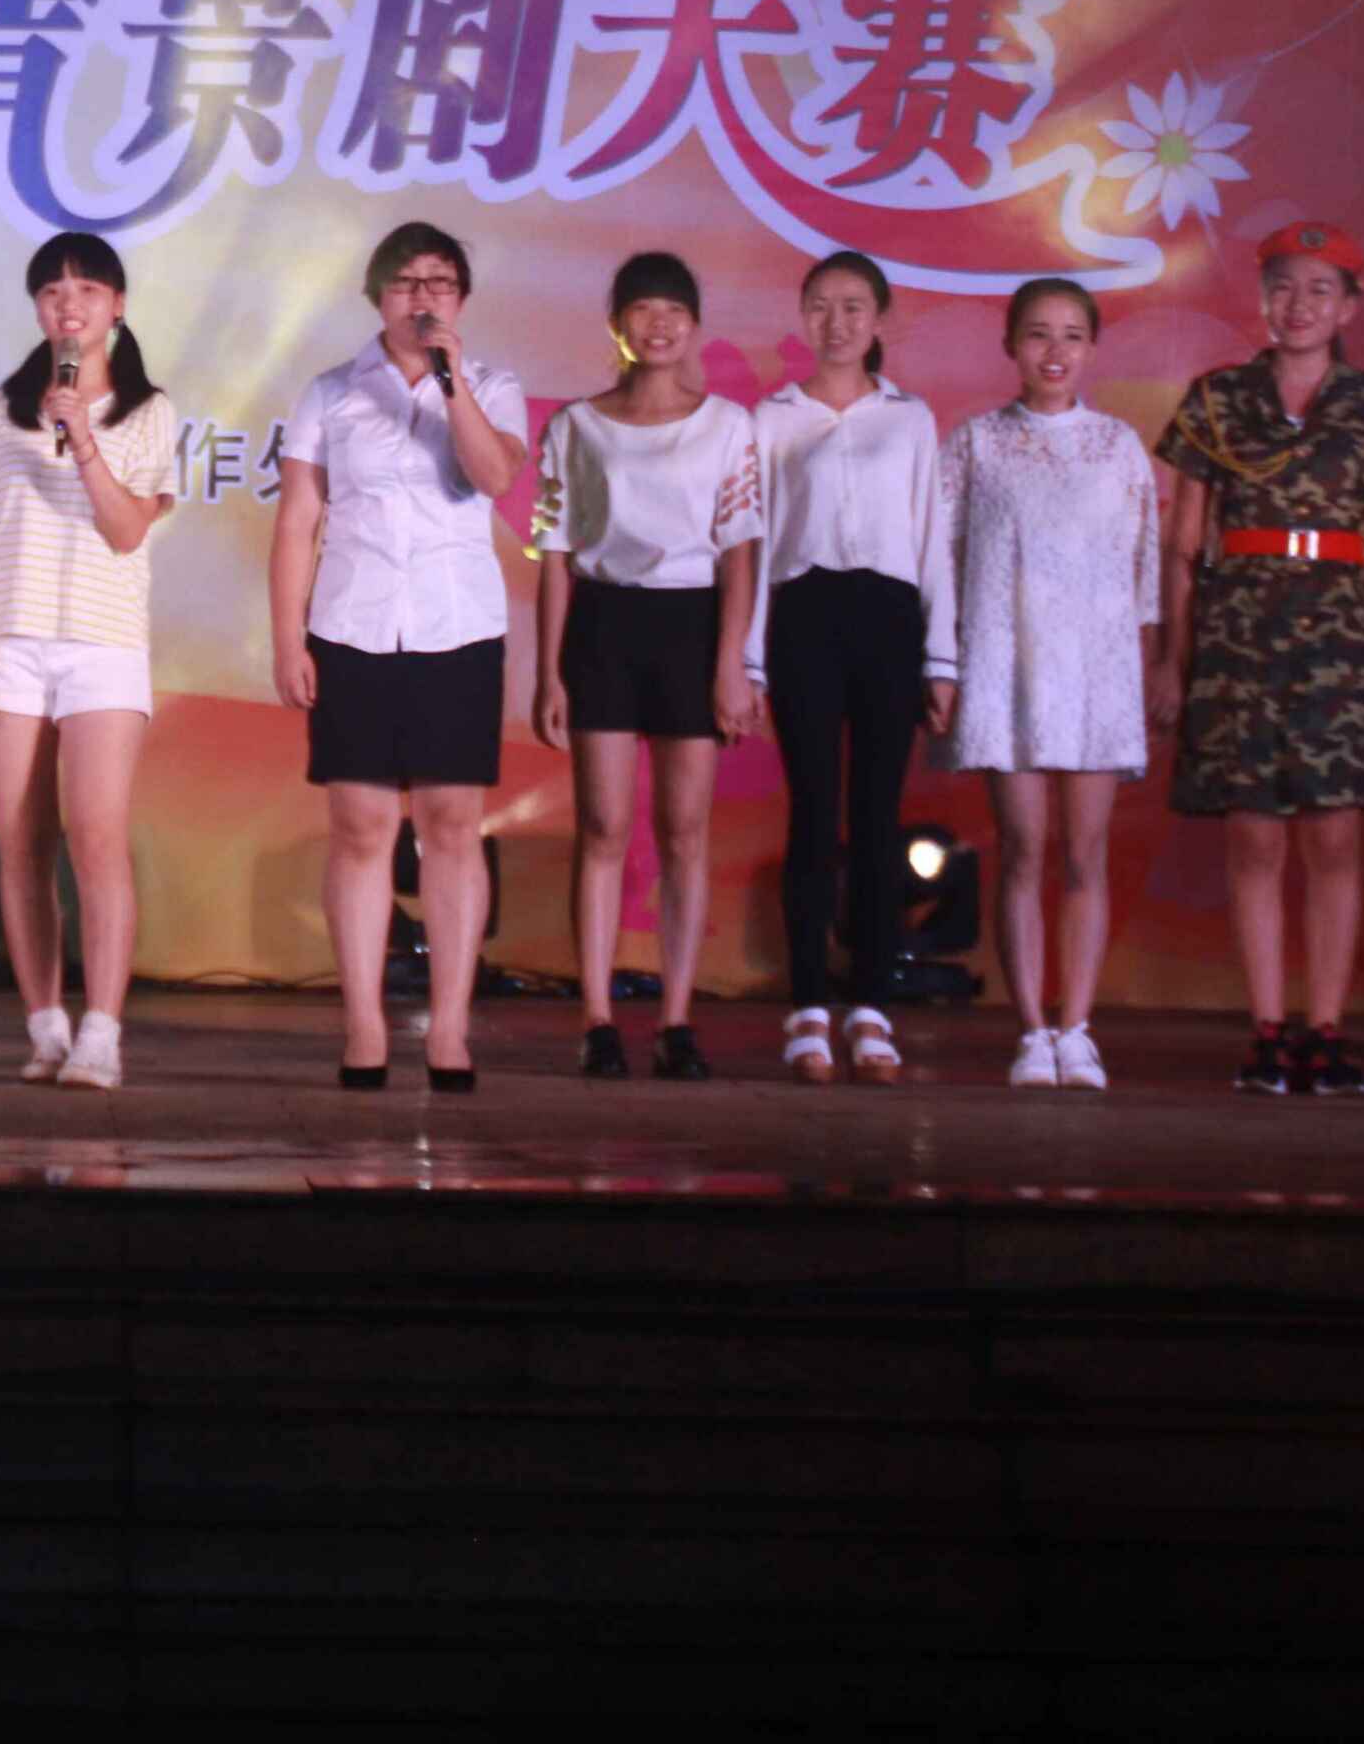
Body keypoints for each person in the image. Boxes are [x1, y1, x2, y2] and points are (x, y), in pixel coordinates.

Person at [1155, 219, 1364, 1098]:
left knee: (1336, 838)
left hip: (1342, 640)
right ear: (1263, 298)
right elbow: (1182, 544)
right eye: (1283, 286)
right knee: (1255, 838)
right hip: (1239, 636)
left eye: (1319, 289)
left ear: (1349, 305)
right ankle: (1269, 1029)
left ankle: (1327, 1029)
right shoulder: (1217, 398)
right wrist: (1172, 659)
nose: (1298, 304)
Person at [272, 221, 526, 1092]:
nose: (423, 297)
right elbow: (297, 523)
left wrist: (453, 385)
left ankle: (450, 1027)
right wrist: (288, 638)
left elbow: (496, 477)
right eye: (406, 282)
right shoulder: (330, 392)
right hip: (354, 627)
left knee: (453, 826)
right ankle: (364, 1025)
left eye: (440, 282)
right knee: (361, 828)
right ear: (376, 297)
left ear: (461, 298)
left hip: (458, 629)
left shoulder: (492, 384)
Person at [0, 232, 178, 1091]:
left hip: (103, 642)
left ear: (117, 306)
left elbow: (126, 528)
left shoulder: (149, 411)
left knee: (96, 835)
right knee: (22, 841)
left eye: (88, 290)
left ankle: (103, 1029)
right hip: (11, 642)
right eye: (53, 291)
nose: (70, 306)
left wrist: (84, 438)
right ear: (37, 307)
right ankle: (45, 1025)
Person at [535, 251, 765, 1081]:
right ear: (617, 324)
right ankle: (597, 1018)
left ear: (694, 326)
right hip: (603, 623)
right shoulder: (575, 426)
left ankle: (676, 1018)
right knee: (602, 825)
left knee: (684, 830)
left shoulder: (729, 426)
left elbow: (740, 553)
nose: (659, 324)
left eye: (674, 311)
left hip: (691, 624)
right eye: (642, 309)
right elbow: (554, 553)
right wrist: (548, 672)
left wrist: (732, 664)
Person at [938, 276, 1162, 1092]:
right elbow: (941, 560)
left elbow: (1144, 567)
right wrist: (945, 663)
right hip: (1006, 666)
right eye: (1038, 333)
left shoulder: (1119, 445)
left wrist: (1142, 665)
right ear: (1011, 344)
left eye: (1072, 334)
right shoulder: (976, 443)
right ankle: (1032, 1028)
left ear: (1092, 348)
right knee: (1025, 845)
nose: (1055, 350)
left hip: (1098, 670)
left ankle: (1079, 1028)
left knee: (1086, 850)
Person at [743, 250, 946, 1086]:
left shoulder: (910, 417)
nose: (837, 322)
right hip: (804, 616)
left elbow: (932, 536)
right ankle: (806, 1006)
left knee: (876, 816)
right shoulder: (773, 416)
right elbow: (755, 544)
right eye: (822, 306)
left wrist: (941, 657)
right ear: (803, 316)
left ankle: (870, 1003)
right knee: (814, 811)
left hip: (890, 620)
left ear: (879, 318)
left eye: (854, 306)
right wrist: (750, 659)